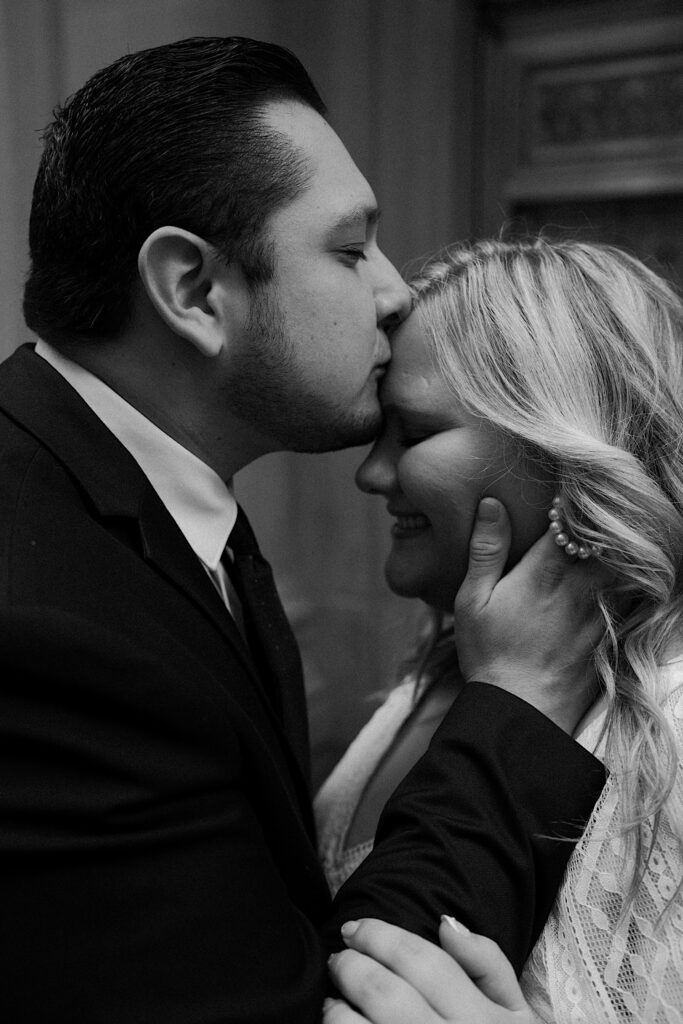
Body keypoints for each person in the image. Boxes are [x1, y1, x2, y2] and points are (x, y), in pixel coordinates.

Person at [0, 38, 605, 1023]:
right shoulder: (49, 626)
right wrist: (518, 702)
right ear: (193, 289)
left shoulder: (157, 512)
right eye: (348, 247)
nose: (395, 289)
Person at [317, 238, 683, 1022]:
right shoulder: (434, 678)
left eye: (411, 434)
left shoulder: (672, 717)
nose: (371, 473)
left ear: (559, 451)